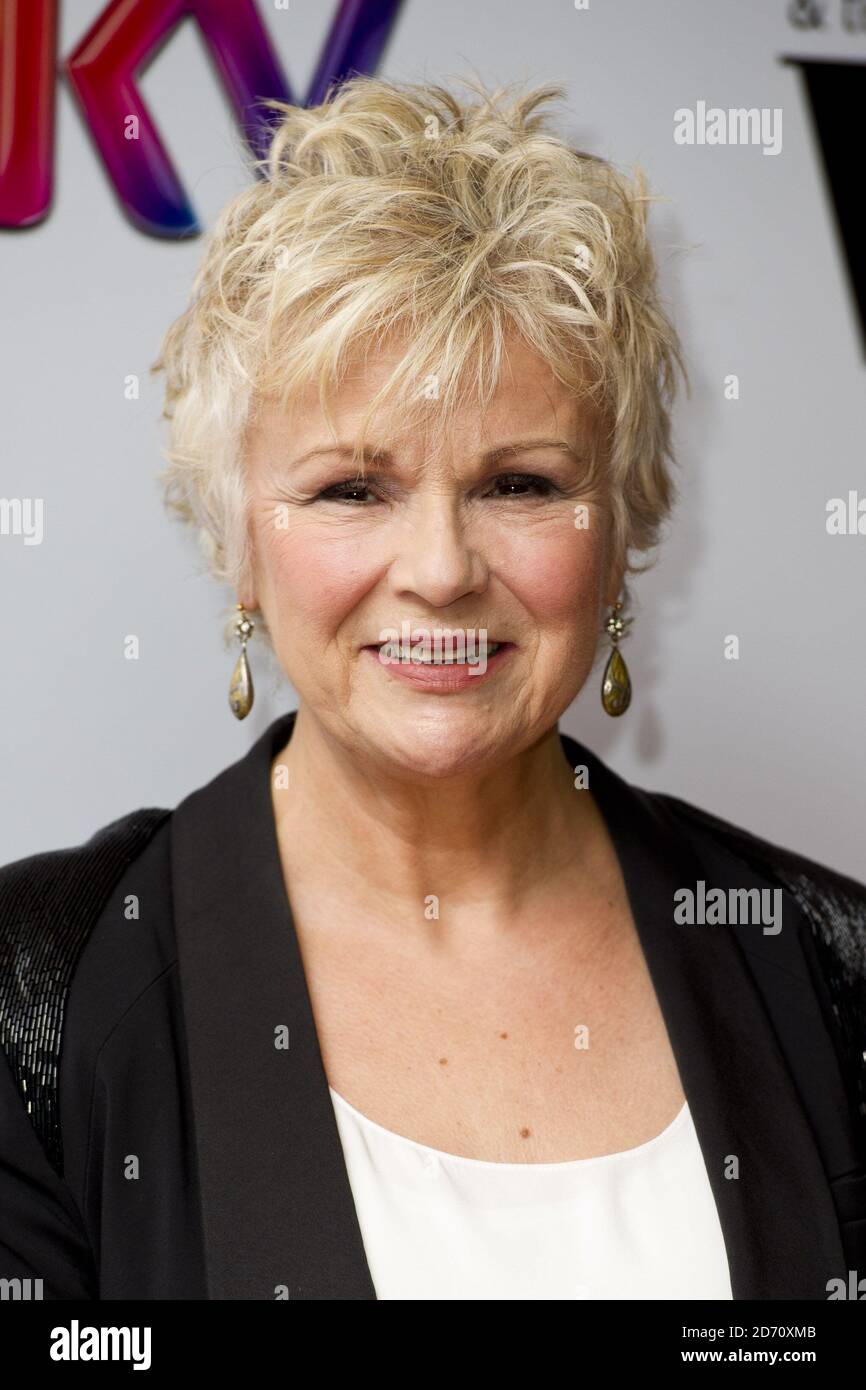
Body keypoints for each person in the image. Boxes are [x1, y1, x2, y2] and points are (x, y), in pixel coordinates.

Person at [1, 74, 864, 1302]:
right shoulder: (33, 993)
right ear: (236, 544)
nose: (444, 571)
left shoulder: (829, 968)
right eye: (353, 489)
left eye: (517, 484)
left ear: (619, 528)